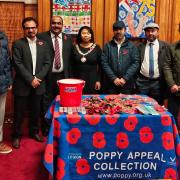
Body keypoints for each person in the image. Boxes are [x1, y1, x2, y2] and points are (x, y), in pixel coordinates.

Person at [12, 17, 51, 148]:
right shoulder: (18, 44)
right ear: (24, 29)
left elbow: (47, 63)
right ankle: (16, 136)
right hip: (23, 84)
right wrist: (30, 79)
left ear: (37, 28)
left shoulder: (43, 44)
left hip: (39, 84)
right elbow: (17, 63)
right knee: (19, 112)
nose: (30, 30)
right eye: (27, 28)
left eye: (33, 27)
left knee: (36, 111)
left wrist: (38, 78)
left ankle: (34, 132)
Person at [37, 16, 73, 136]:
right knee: (46, 102)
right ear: (50, 24)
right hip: (47, 75)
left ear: (62, 25)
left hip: (63, 76)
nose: (56, 25)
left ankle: (62, 127)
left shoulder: (68, 38)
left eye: (59, 23)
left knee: (63, 102)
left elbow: (70, 59)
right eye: (54, 23)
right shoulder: (41, 37)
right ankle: (47, 127)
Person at [136, 22, 170, 105]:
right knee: (141, 106)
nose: (150, 33)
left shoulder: (166, 46)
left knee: (156, 108)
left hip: (158, 83)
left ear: (158, 32)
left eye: (153, 30)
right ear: (145, 33)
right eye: (148, 31)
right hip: (142, 82)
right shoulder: (139, 46)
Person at [101, 21, 140, 94]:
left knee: (126, 105)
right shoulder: (107, 46)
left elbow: (136, 63)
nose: (118, 31)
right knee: (110, 104)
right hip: (111, 84)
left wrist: (125, 78)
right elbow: (104, 63)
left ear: (125, 30)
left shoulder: (132, 46)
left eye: (120, 29)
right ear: (113, 31)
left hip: (127, 84)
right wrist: (114, 78)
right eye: (116, 29)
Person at [72, 26, 102, 94]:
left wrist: (98, 80)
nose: (86, 35)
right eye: (83, 33)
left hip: (93, 80)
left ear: (91, 35)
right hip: (77, 79)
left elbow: (101, 66)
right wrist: (72, 80)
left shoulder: (97, 48)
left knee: (91, 101)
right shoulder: (74, 47)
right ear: (80, 35)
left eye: (88, 33)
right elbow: (71, 65)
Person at [163, 23, 180, 129]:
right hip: (174, 91)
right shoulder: (172, 47)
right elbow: (166, 66)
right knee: (172, 120)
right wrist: (171, 84)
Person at [0, 31, 12, 153]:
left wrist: (8, 80)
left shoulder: (2, 36)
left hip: (1, 82)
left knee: (0, 113)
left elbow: (7, 61)